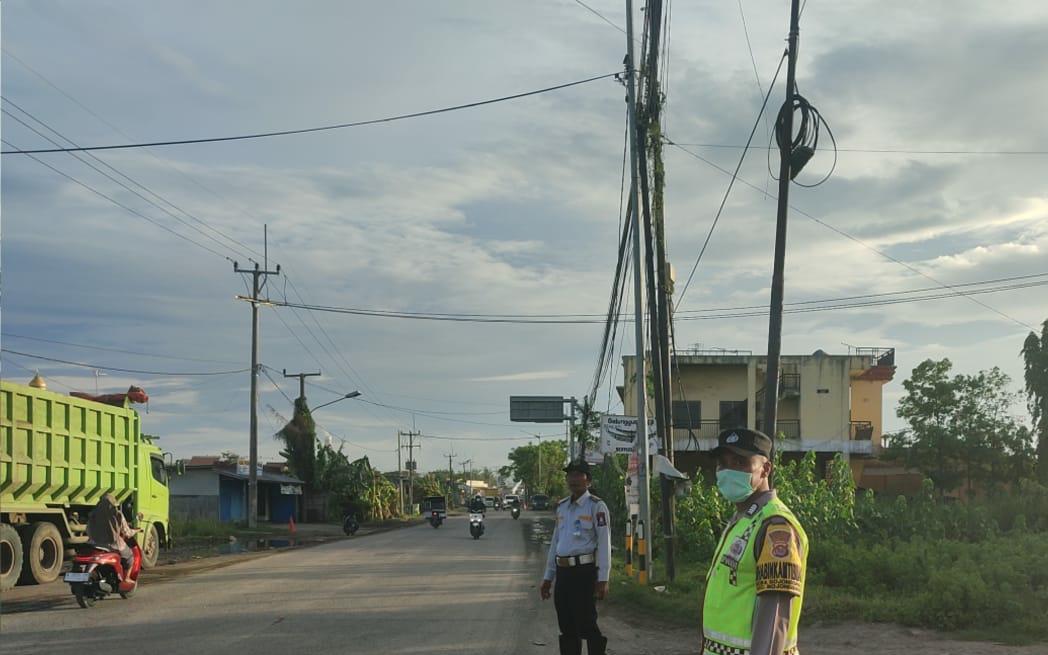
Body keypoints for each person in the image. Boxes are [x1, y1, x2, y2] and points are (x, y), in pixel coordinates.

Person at [700, 428, 809, 655]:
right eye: (722, 463)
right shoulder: (743, 520)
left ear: (765, 469)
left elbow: (774, 621)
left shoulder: (775, 526)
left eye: (740, 462)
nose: (728, 471)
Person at [540, 460, 611, 655]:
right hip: (563, 573)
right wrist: (548, 578)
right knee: (566, 624)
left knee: (587, 622)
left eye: (579, 475)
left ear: (588, 480)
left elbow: (604, 543)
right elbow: (556, 543)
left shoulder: (596, 506)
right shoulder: (562, 507)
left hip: (584, 573)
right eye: (570, 475)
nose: (574, 479)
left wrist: (603, 578)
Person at [86, 493, 136, 571]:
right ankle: (127, 577)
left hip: (94, 544)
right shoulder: (117, 514)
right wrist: (135, 531)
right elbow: (127, 533)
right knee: (130, 557)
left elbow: (88, 530)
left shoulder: (93, 514)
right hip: (113, 545)